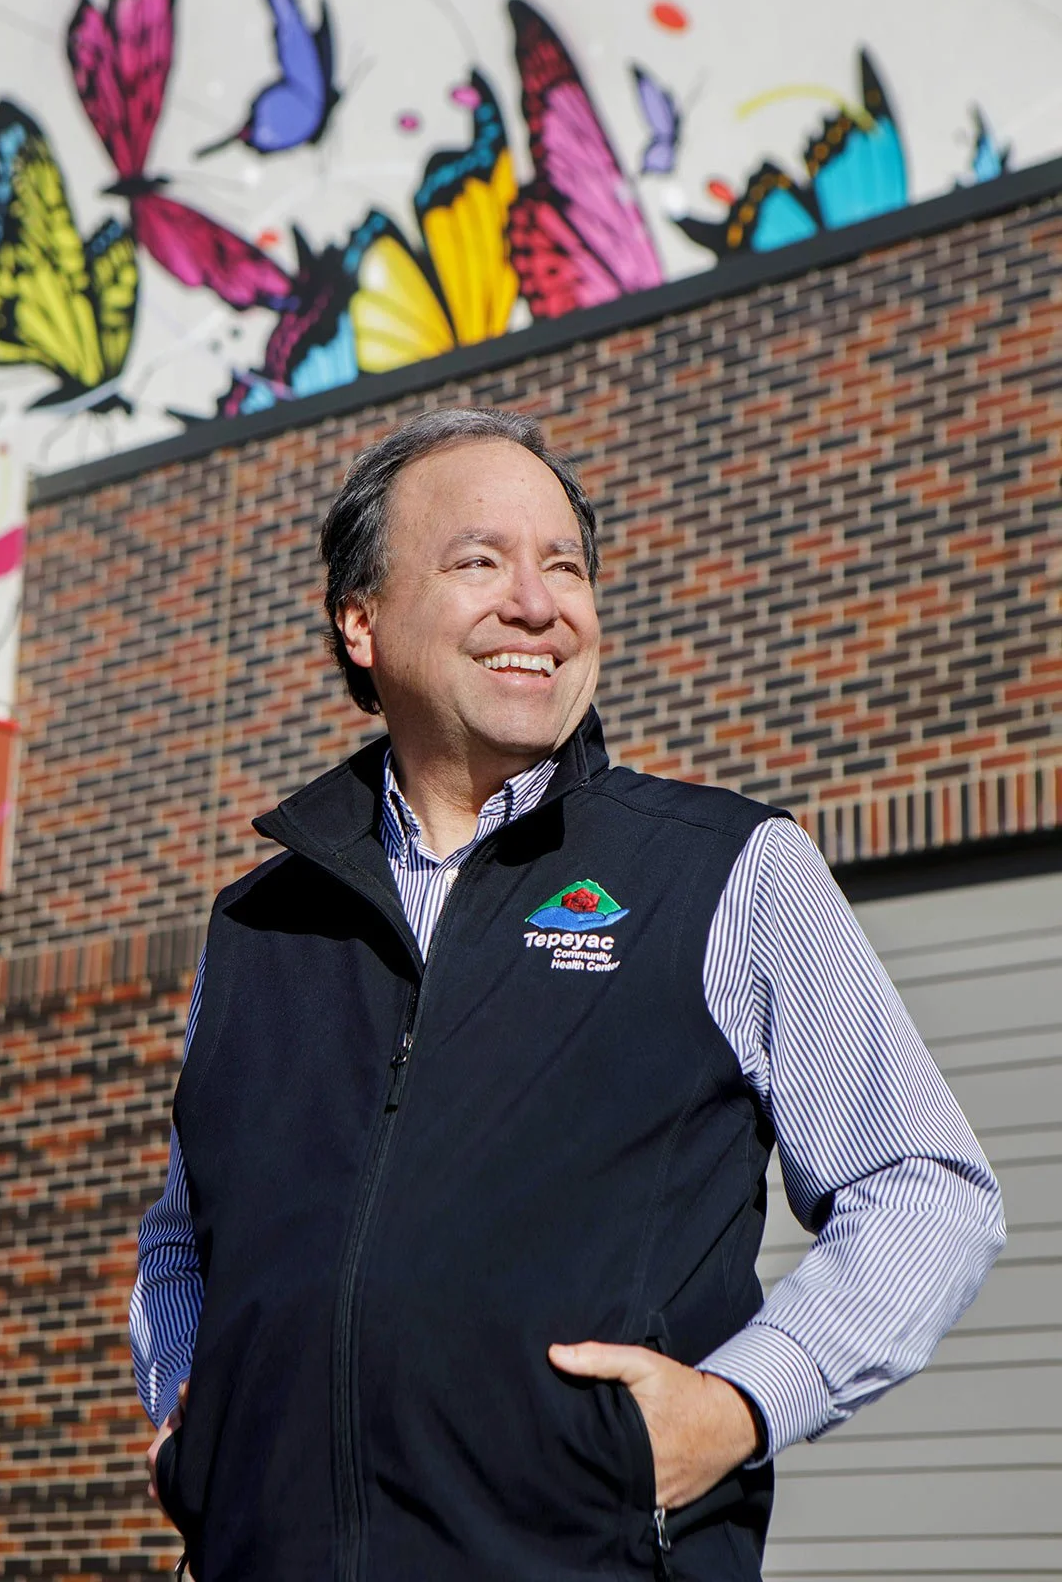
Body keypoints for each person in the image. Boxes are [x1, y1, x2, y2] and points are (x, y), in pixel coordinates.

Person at [129, 407, 1004, 1582]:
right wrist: (196, 1427)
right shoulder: (256, 925)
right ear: (361, 618)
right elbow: (185, 1235)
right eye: (480, 560)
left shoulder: (724, 867)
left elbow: (923, 1187)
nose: (538, 605)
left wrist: (739, 1404)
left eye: (567, 568)